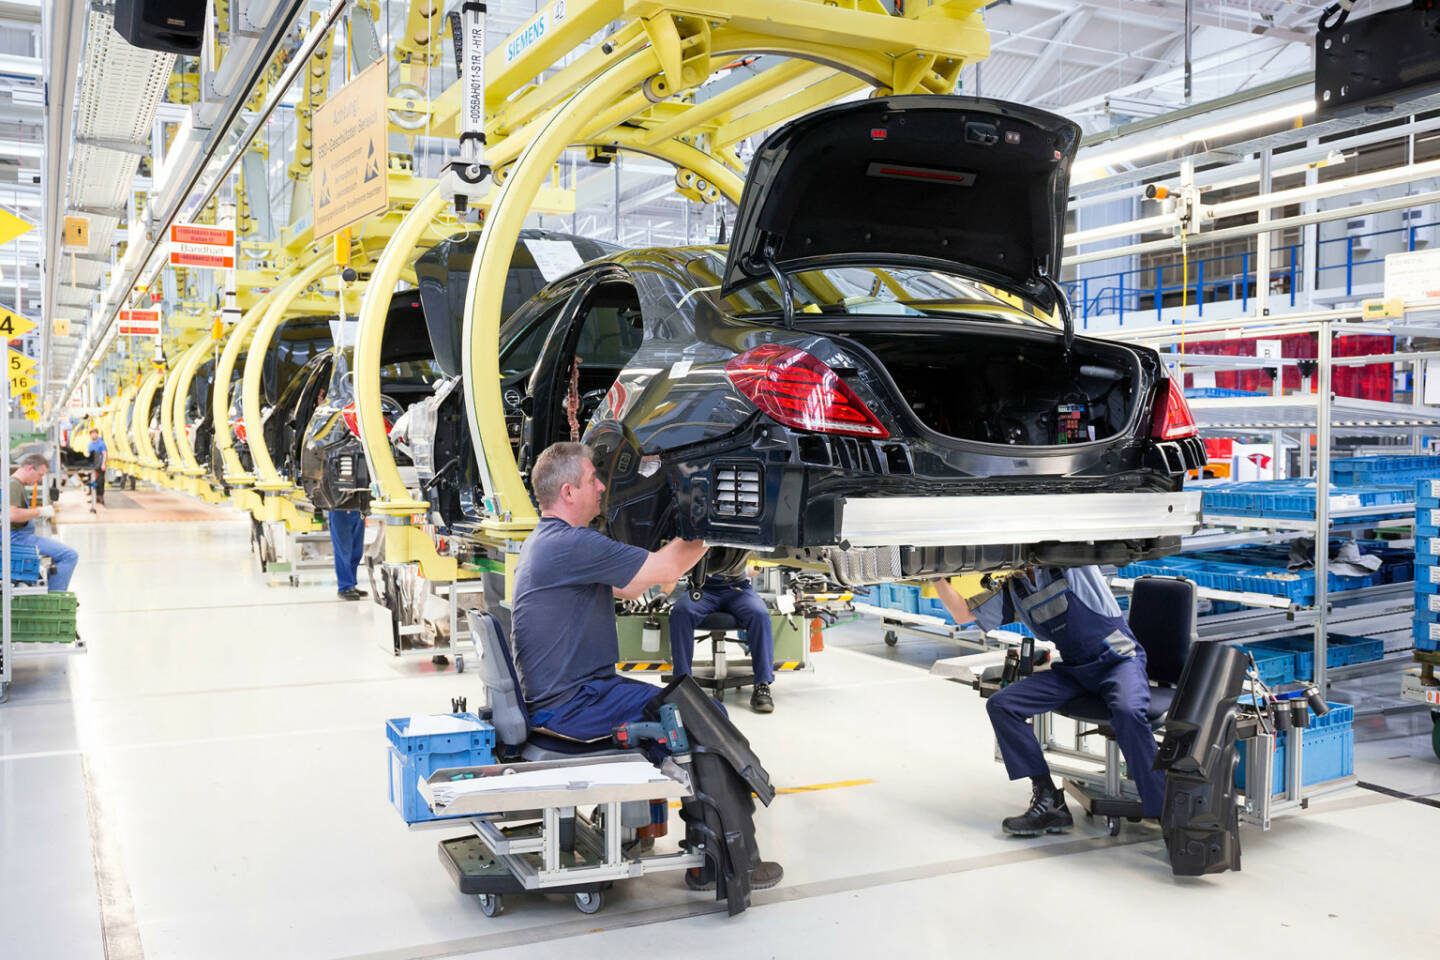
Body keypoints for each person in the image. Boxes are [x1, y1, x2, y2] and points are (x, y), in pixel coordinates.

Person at [510, 441, 783, 889]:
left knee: (689, 710)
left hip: (578, 695)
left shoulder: (551, 543)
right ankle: (730, 865)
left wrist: (689, 546)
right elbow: (661, 566)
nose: (601, 486)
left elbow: (638, 584)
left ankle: (705, 845)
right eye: (592, 479)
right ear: (568, 492)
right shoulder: (570, 544)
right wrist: (719, 519)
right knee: (703, 717)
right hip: (576, 706)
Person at [932, 566, 1165, 836]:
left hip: (1119, 661)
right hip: (1076, 670)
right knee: (1002, 704)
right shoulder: (1015, 589)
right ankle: (1049, 800)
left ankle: (1163, 810)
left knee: (1127, 711)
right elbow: (962, 613)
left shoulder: (1074, 566)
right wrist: (936, 577)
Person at [667, 566, 776, 713]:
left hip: (738, 589)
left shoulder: (744, 543)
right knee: (681, 612)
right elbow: (676, 565)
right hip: (702, 589)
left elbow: (757, 567)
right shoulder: (697, 542)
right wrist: (662, 593)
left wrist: (737, 571)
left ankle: (762, 683)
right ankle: (682, 683)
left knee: (759, 615)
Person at [9, 453, 79, 592]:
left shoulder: (17, 485)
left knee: (62, 553)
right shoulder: (13, 486)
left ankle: (53, 590)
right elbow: (12, 515)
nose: (39, 480)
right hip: (17, 538)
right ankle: (55, 596)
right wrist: (40, 511)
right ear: (30, 468)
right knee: (69, 555)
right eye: (40, 475)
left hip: (21, 536)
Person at [329, 509, 367, 600]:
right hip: (339, 508)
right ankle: (345, 587)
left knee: (357, 551)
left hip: (358, 509)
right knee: (343, 551)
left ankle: (351, 585)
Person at [88, 428, 107, 506]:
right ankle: (94, 496)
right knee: (93, 482)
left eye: (95, 433)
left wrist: (103, 464)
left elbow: (105, 454)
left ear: (97, 434)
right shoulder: (90, 444)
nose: (93, 435)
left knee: (100, 482)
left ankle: (100, 496)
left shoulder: (101, 443)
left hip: (100, 466)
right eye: (92, 433)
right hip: (92, 466)